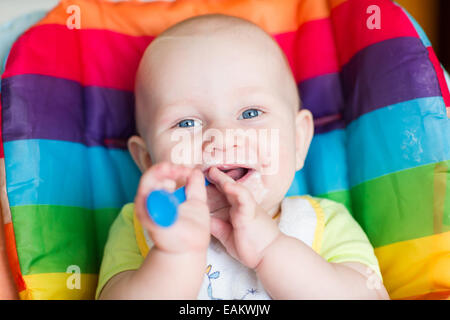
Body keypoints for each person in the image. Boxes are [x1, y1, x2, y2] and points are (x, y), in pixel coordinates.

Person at [96, 14, 389, 300]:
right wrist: (175, 256)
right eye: (186, 123)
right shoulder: (142, 225)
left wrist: (271, 249)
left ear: (298, 140)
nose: (221, 136)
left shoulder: (325, 223)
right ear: (148, 160)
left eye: (250, 113)